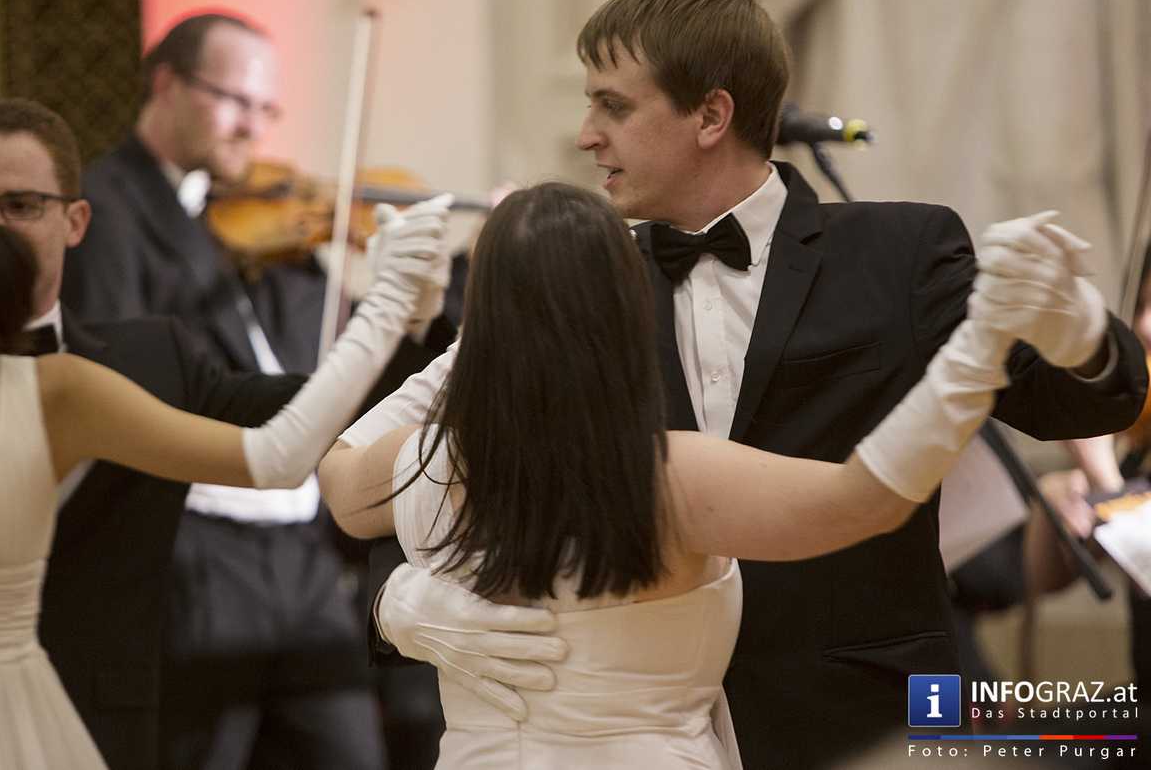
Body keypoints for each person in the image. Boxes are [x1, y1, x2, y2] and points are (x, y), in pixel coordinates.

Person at [341, 0, 1149, 770]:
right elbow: (439, 470)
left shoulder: (900, 253)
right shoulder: (584, 285)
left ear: (711, 114)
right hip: (635, 721)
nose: (587, 132)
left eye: (613, 104)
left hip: (862, 719)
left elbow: (1090, 404)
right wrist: (398, 598)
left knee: (1100, 732)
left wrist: (1081, 330)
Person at [314, 181, 1099, 768]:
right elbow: (864, 496)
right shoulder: (666, 475)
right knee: (1083, 729)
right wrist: (979, 348)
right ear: (625, 307)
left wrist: (464, 328)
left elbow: (338, 461)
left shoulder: (426, 463)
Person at [0, 128, 448, 770]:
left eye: (23, 203)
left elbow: (307, 414)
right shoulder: (60, 387)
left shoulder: (121, 367)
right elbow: (282, 455)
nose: (4, 223)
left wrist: (408, 314)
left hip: (60, 708)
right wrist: (387, 303)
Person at [61, 12, 451, 769]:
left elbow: (344, 372)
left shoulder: (262, 224)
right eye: (236, 101)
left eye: (267, 110)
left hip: (300, 556)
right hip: (198, 552)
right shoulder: (108, 209)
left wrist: (427, 298)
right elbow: (130, 372)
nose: (254, 128)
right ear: (167, 83)